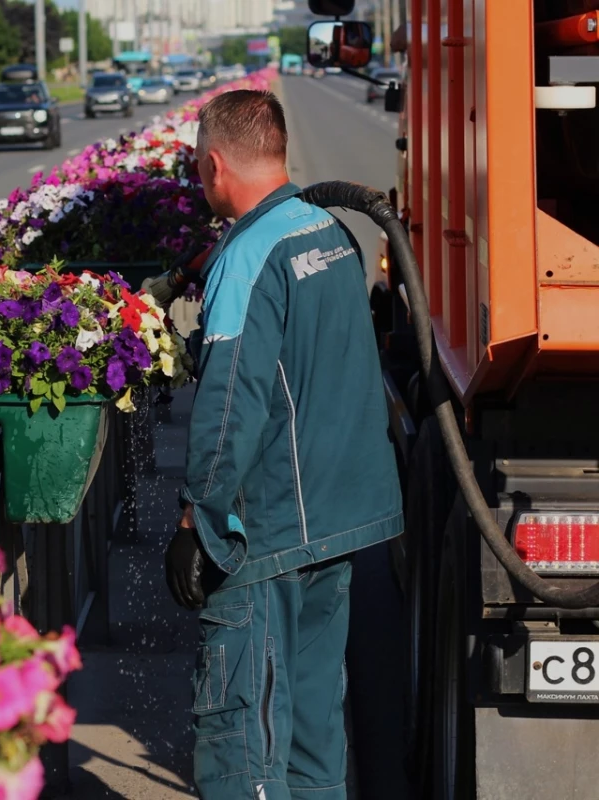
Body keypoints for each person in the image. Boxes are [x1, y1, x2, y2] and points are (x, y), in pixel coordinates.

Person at [158, 90, 402, 800]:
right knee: (312, 743)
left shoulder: (248, 256)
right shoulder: (329, 232)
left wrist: (194, 523)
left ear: (213, 164)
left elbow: (231, 406)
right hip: (334, 526)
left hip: (266, 537)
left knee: (243, 741)